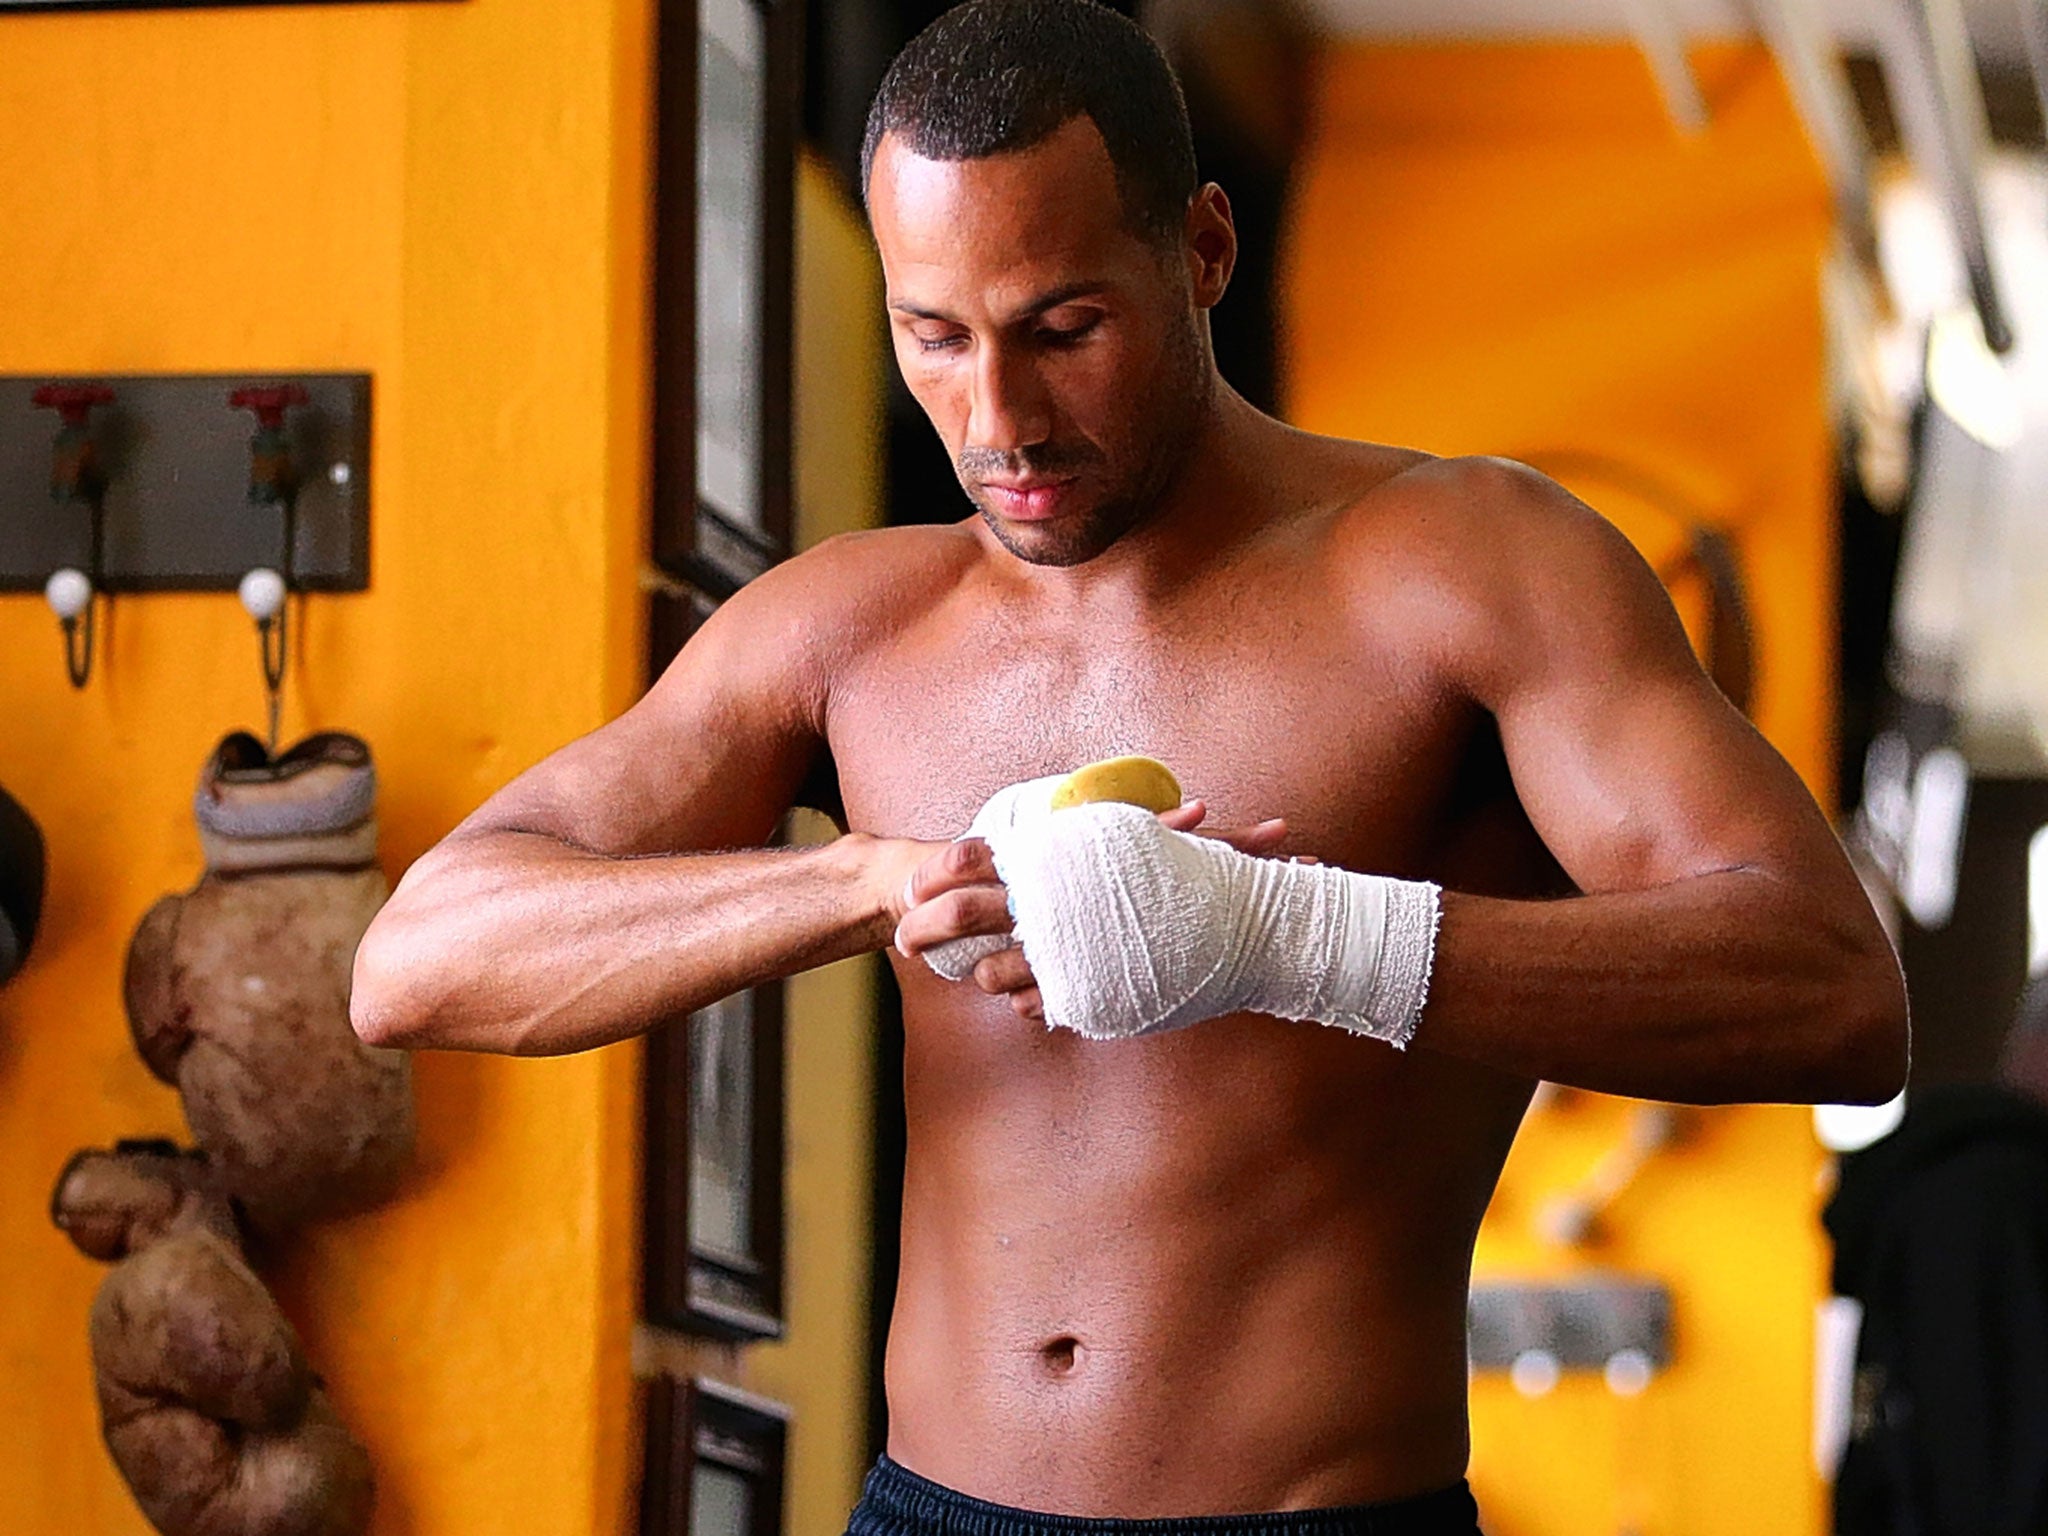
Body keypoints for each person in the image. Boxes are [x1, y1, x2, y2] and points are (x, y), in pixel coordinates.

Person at [349, 2, 1910, 1530]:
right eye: (934, 338)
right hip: (929, 1513)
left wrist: (1294, 942)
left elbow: (1833, 995)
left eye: (1064, 328)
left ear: (1205, 251)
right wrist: (868, 879)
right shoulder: (849, 629)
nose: (999, 418)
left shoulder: (1464, 569)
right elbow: (420, 963)